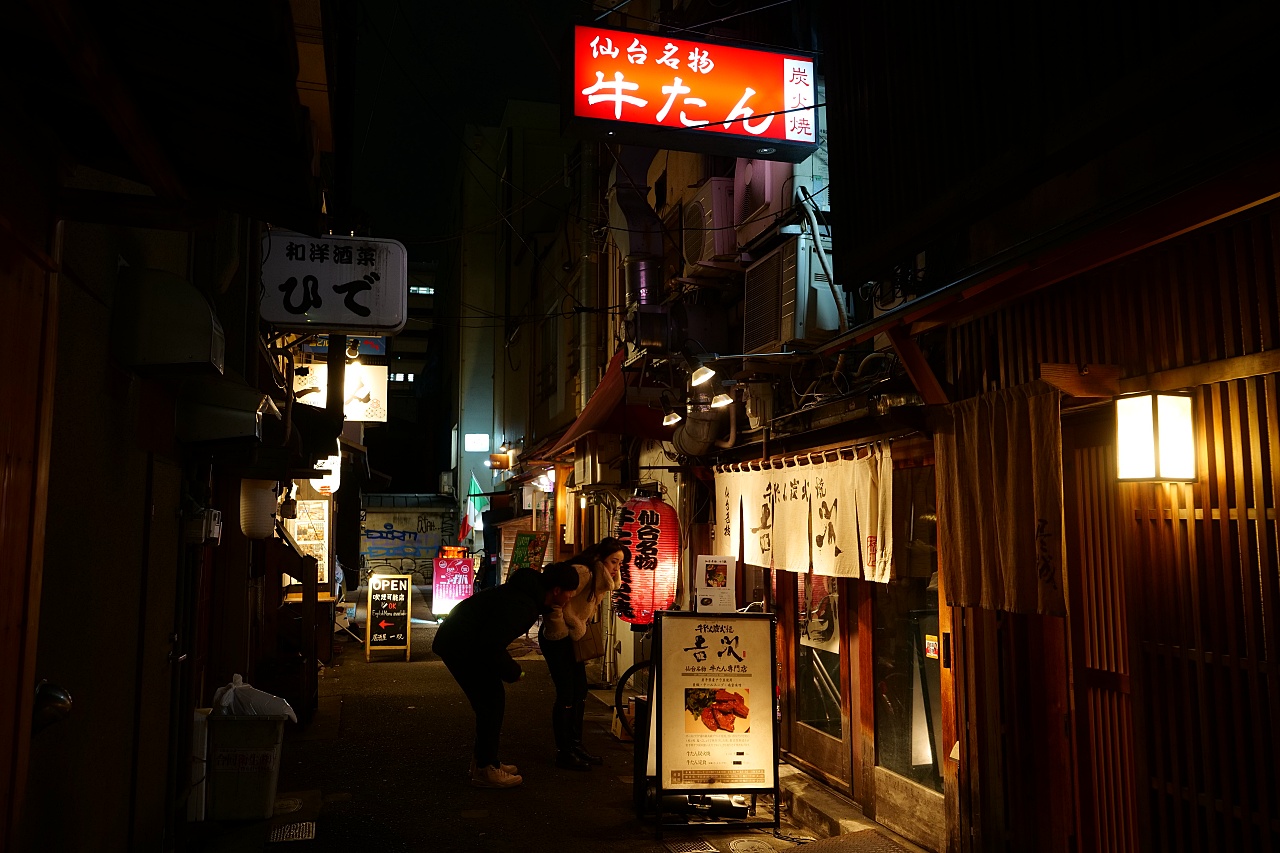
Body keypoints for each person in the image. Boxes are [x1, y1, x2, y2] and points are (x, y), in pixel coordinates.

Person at [432, 561, 580, 788]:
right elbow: (490, 645)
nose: (572, 596)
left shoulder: (527, 596)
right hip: (460, 644)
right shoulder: (524, 605)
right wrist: (513, 671)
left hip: (462, 640)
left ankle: (484, 762)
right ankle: (485, 769)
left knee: (490, 702)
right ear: (557, 590)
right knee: (491, 702)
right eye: (571, 591)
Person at [537, 537, 626, 771]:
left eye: (620, 563)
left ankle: (575, 746)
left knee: (580, 691)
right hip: (557, 638)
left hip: (571, 639)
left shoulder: (601, 580)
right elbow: (554, 601)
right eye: (613, 561)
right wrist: (561, 630)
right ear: (600, 559)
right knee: (567, 693)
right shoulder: (583, 572)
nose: (617, 568)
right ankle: (564, 752)